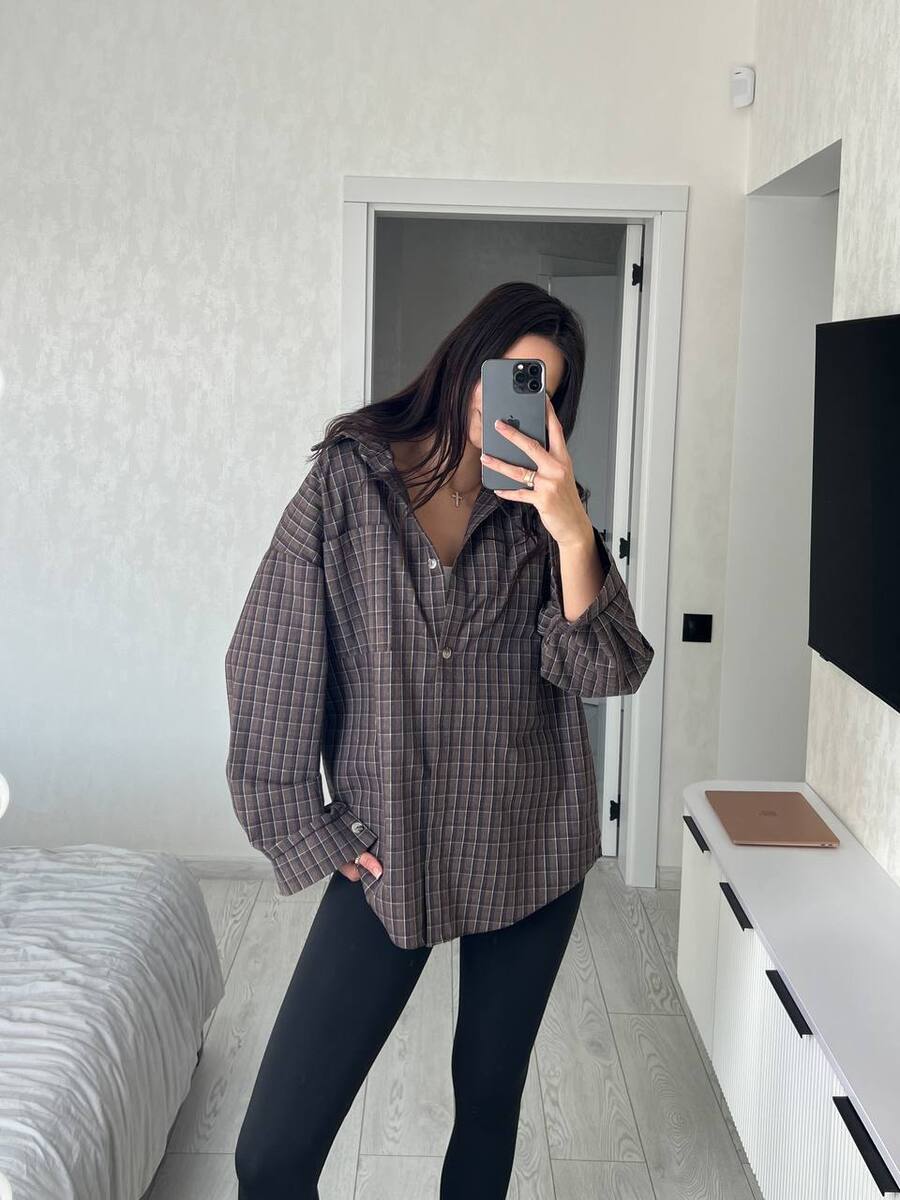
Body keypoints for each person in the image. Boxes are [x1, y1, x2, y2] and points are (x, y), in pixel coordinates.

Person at [225, 280, 655, 1199]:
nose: (509, 401)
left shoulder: (550, 518)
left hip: (530, 845)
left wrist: (573, 532)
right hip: (393, 849)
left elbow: (606, 670)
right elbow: (271, 653)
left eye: (539, 390)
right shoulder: (350, 481)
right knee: (271, 1155)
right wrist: (304, 824)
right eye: (507, 372)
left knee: (488, 1103)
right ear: (466, 358)